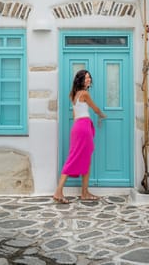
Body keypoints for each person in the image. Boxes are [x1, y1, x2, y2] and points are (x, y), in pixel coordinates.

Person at [53, 69, 106, 204]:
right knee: (75, 158)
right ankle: (60, 192)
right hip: (83, 127)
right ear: (81, 80)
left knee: (83, 158)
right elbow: (95, 109)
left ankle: (84, 192)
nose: (89, 80)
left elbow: (75, 115)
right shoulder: (84, 94)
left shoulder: (74, 94)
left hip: (78, 127)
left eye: (89, 77)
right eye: (86, 78)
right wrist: (102, 115)